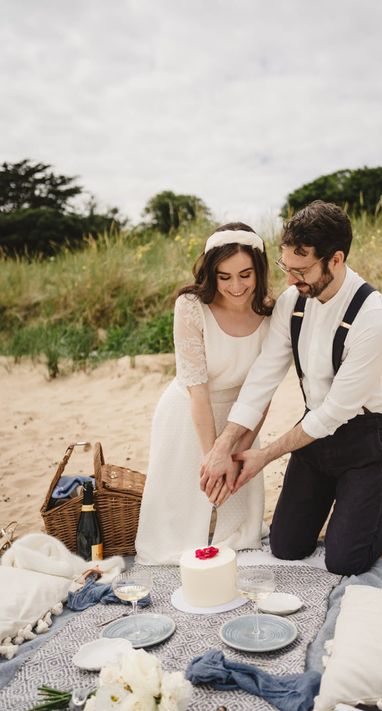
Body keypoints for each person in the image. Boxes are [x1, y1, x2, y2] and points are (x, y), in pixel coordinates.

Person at [200, 201, 382, 576]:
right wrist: (224, 445)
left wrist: (264, 456)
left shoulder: (372, 315)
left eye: (302, 269)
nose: (292, 279)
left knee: (345, 561)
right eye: (286, 267)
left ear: (335, 259)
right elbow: (264, 375)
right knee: (286, 547)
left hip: (366, 439)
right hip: (312, 437)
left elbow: (335, 412)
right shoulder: (292, 302)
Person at [135, 222, 274, 565]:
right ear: (211, 273)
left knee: (238, 537)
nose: (236, 286)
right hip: (189, 414)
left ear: (260, 270)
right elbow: (197, 392)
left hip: (242, 417)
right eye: (224, 277)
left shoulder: (272, 312)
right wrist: (213, 457)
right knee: (177, 536)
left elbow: (263, 392)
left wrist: (237, 452)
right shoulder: (191, 306)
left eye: (245, 274)